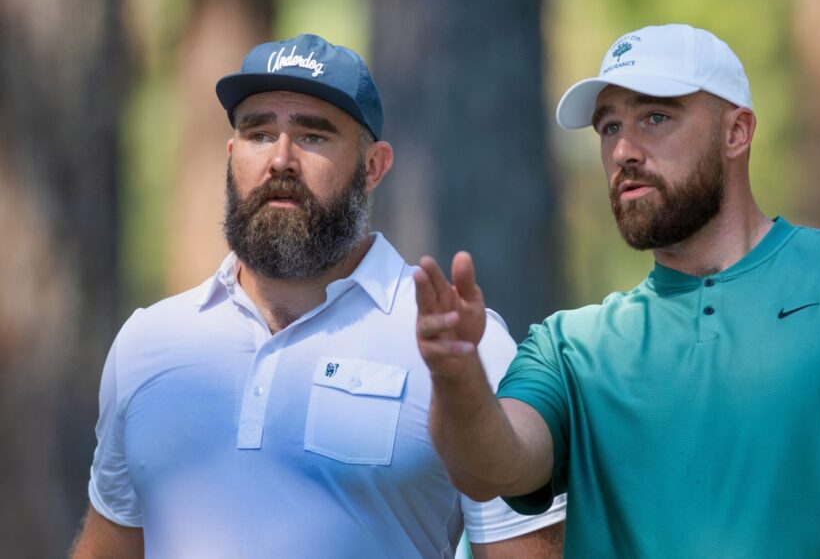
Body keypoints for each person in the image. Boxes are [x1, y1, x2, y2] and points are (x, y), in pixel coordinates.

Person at [414, 24, 820, 558]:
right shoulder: (571, 348)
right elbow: (489, 465)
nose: (623, 150)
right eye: (608, 127)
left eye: (655, 117)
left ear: (737, 132)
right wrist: (455, 374)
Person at [71, 33, 564, 558]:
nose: (281, 159)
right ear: (232, 154)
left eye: (313, 136)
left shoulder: (463, 347)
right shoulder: (149, 342)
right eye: (259, 133)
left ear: (373, 166)